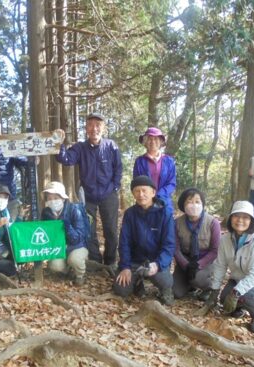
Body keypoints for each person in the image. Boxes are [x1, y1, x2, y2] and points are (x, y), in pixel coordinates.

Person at [56, 113, 122, 268]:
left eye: (98, 125)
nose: (94, 129)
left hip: (109, 194)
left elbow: (118, 168)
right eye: (90, 125)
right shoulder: (80, 148)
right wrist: (59, 144)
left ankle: (110, 261)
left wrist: (115, 186)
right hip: (88, 195)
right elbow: (66, 159)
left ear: (103, 128)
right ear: (86, 128)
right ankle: (95, 261)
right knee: (89, 229)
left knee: (111, 230)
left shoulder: (111, 146)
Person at [198, 200, 254, 334]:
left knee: (244, 296)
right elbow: (220, 265)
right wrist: (214, 291)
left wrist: (236, 292)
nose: (240, 220)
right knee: (223, 298)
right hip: (237, 278)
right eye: (236, 216)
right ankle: (239, 309)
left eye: (245, 217)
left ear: (251, 221)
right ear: (231, 218)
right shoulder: (225, 239)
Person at [113, 176, 175, 305]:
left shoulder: (165, 213)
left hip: (155, 261)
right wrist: (125, 266)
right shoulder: (130, 214)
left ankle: (165, 291)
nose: (141, 194)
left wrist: (158, 264)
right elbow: (124, 242)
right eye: (137, 191)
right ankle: (137, 283)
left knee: (165, 282)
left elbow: (169, 245)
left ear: (153, 192)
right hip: (135, 261)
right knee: (121, 289)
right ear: (133, 194)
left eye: (144, 190)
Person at [173, 188, 220, 299]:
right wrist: (186, 264)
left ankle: (209, 288)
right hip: (185, 259)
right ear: (183, 205)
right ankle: (190, 285)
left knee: (197, 278)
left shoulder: (212, 223)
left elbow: (215, 250)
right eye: (189, 202)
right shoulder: (177, 223)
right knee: (176, 292)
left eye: (197, 201)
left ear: (202, 204)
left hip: (206, 260)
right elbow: (175, 248)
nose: (194, 205)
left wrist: (198, 264)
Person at [41, 181, 89, 285]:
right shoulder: (46, 212)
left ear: (63, 198)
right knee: (55, 266)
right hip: (59, 247)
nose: (53, 201)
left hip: (77, 246)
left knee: (75, 260)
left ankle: (80, 275)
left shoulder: (74, 210)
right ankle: (67, 270)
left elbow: (78, 237)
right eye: (49, 198)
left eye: (56, 198)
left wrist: (67, 226)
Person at [133, 127, 176, 214]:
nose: (152, 142)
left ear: (160, 142)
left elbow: (171, 183)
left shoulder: (169, 161)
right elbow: (137, 182)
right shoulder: (139, 161)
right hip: (144, 201)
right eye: (149, 139)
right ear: (145, 142)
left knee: (166, 221)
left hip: (164, 201)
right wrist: (148, 196)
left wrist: (159, 195)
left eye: (156, 139)